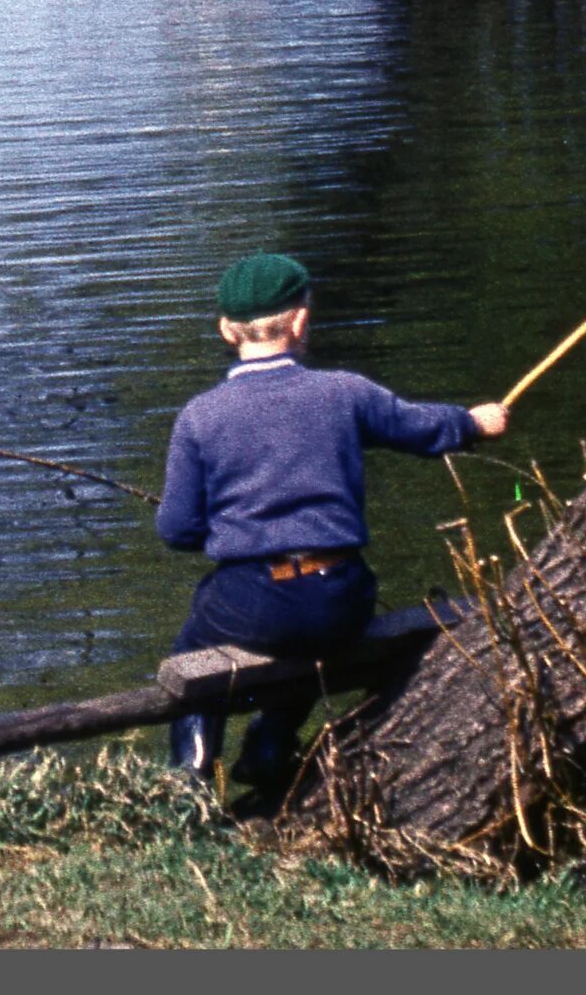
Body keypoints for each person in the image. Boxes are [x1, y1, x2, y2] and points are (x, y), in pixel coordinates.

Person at [155, 251, 509, 793]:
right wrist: (471, 422)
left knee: (192, 654)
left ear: (227, 329)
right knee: (307, 635)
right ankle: (271, 742)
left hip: (254, 598)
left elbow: (176, 530)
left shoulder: (199, 416)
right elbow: (419, 428)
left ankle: (192, 783)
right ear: (300, 321)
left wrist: (232, 530)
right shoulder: (345, 392)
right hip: (340, 596)